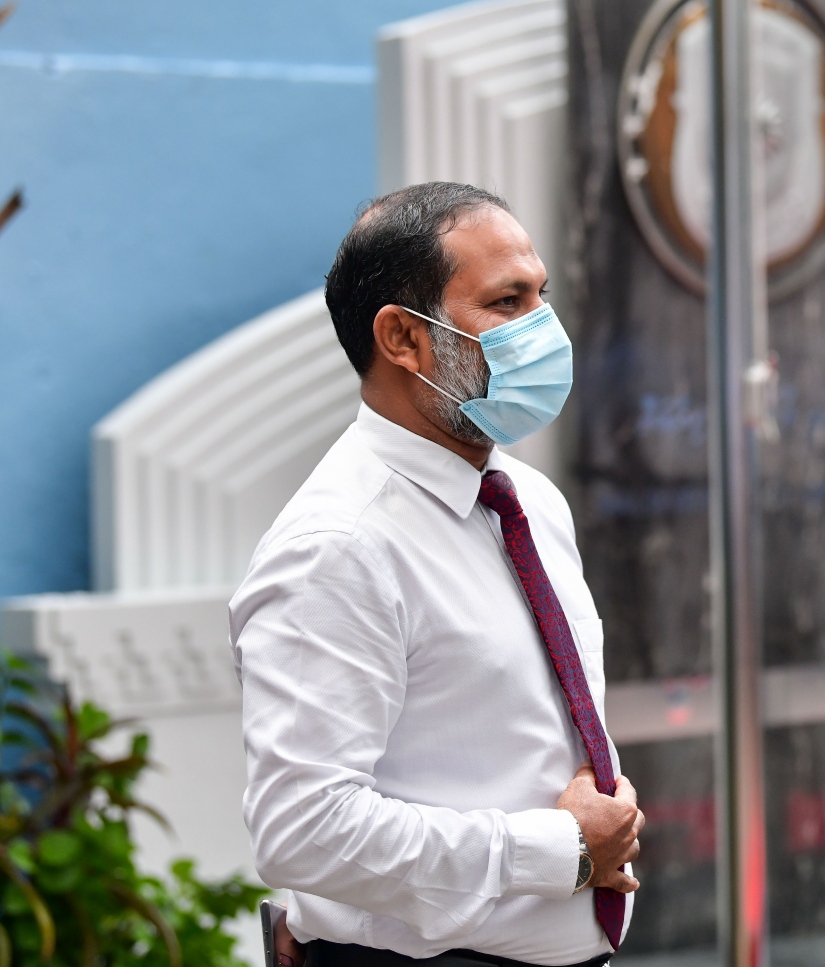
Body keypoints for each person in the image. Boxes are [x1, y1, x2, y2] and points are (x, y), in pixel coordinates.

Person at [232, 182, 643, 967]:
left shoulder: (529, 501)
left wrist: (591, 832)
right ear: (402, 337)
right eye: (507, 302)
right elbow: (302, 828)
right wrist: (555, 848)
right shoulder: (338, 545)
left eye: (542, 296)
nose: (543, 329)